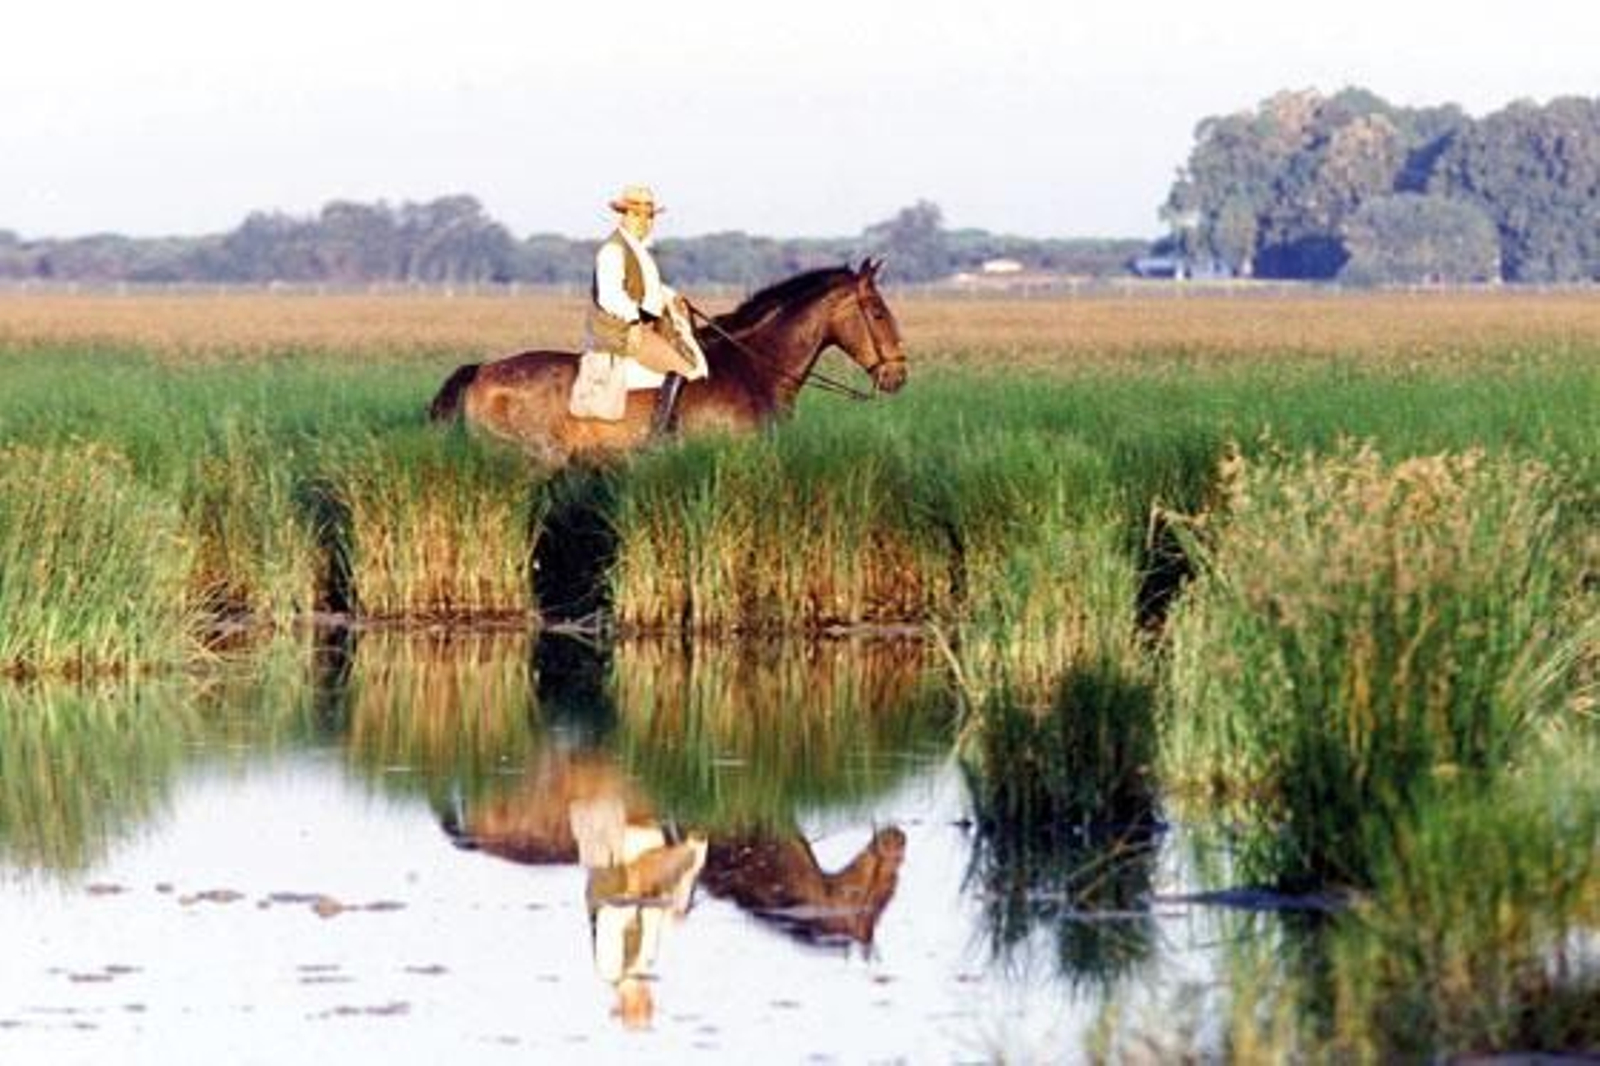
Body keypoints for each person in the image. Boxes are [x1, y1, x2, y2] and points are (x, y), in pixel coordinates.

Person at [584, 184, 708, 435]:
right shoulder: (613, 250)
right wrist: (637, 319)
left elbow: (649, 286)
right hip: (621, 330)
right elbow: (610, 295)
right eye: (636, 214)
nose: (644, 221)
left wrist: (672, 297)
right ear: (624, 214)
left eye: (648, 216)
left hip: (640, 324)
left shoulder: (637, 249)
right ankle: (660, 434)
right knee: (688, 372)